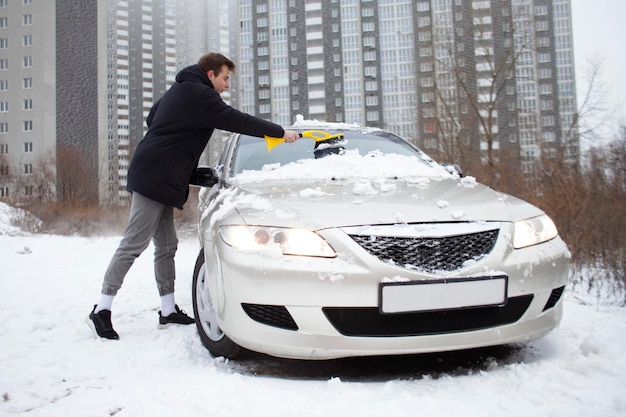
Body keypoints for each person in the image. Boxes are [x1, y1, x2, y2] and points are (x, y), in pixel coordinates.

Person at [87, 53, 300, 340]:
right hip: (155, 176)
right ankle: (101, 309)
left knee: (166, 245)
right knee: (133, 243)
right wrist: (278, 132)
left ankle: (167, 309)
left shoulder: (181, 89)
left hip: (162, 174)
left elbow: (154, 117)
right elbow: (238, 121)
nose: (227, 85)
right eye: (225, 78)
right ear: (210, 74)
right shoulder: (200, 95)